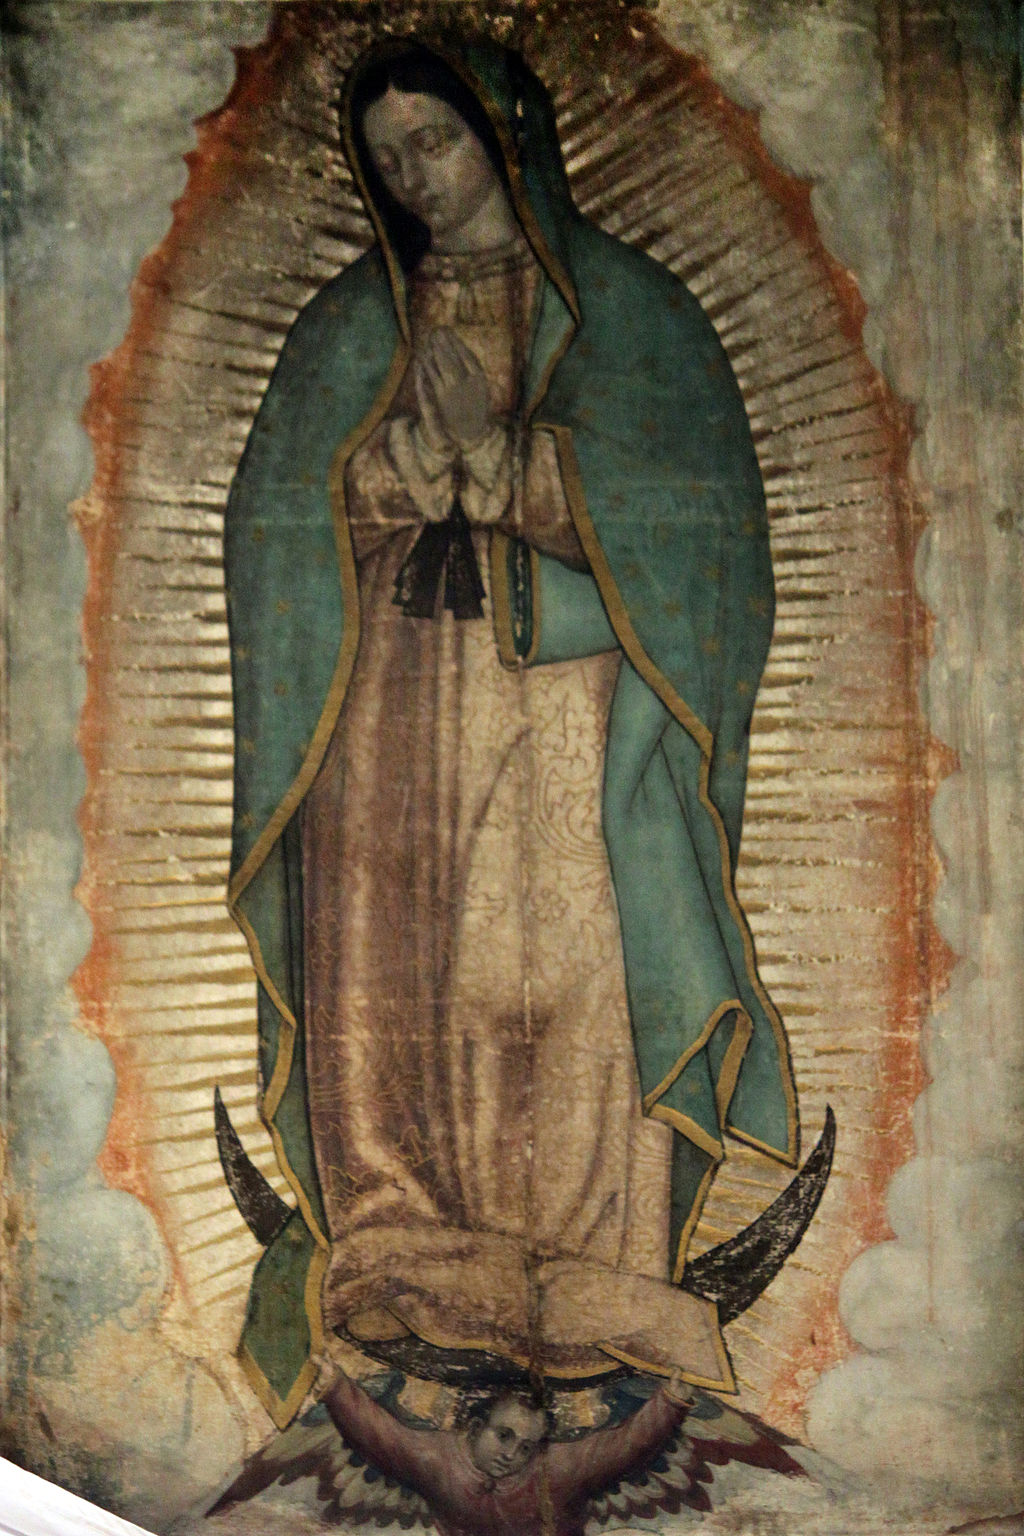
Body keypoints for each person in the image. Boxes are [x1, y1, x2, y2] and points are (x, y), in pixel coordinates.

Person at [224, 36, 798, 1429]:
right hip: (385, 706)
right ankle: (402, 1247)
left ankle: (594, 1264)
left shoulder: (626, 315)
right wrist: (388, 470)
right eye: (390, 159)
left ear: (506, 136)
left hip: (561, 702)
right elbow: (271, 528)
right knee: (395, 968)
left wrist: (513, 470)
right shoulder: (347, 330)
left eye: (436, 142)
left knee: (558, 970)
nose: (416, 177)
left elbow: (704, 537)